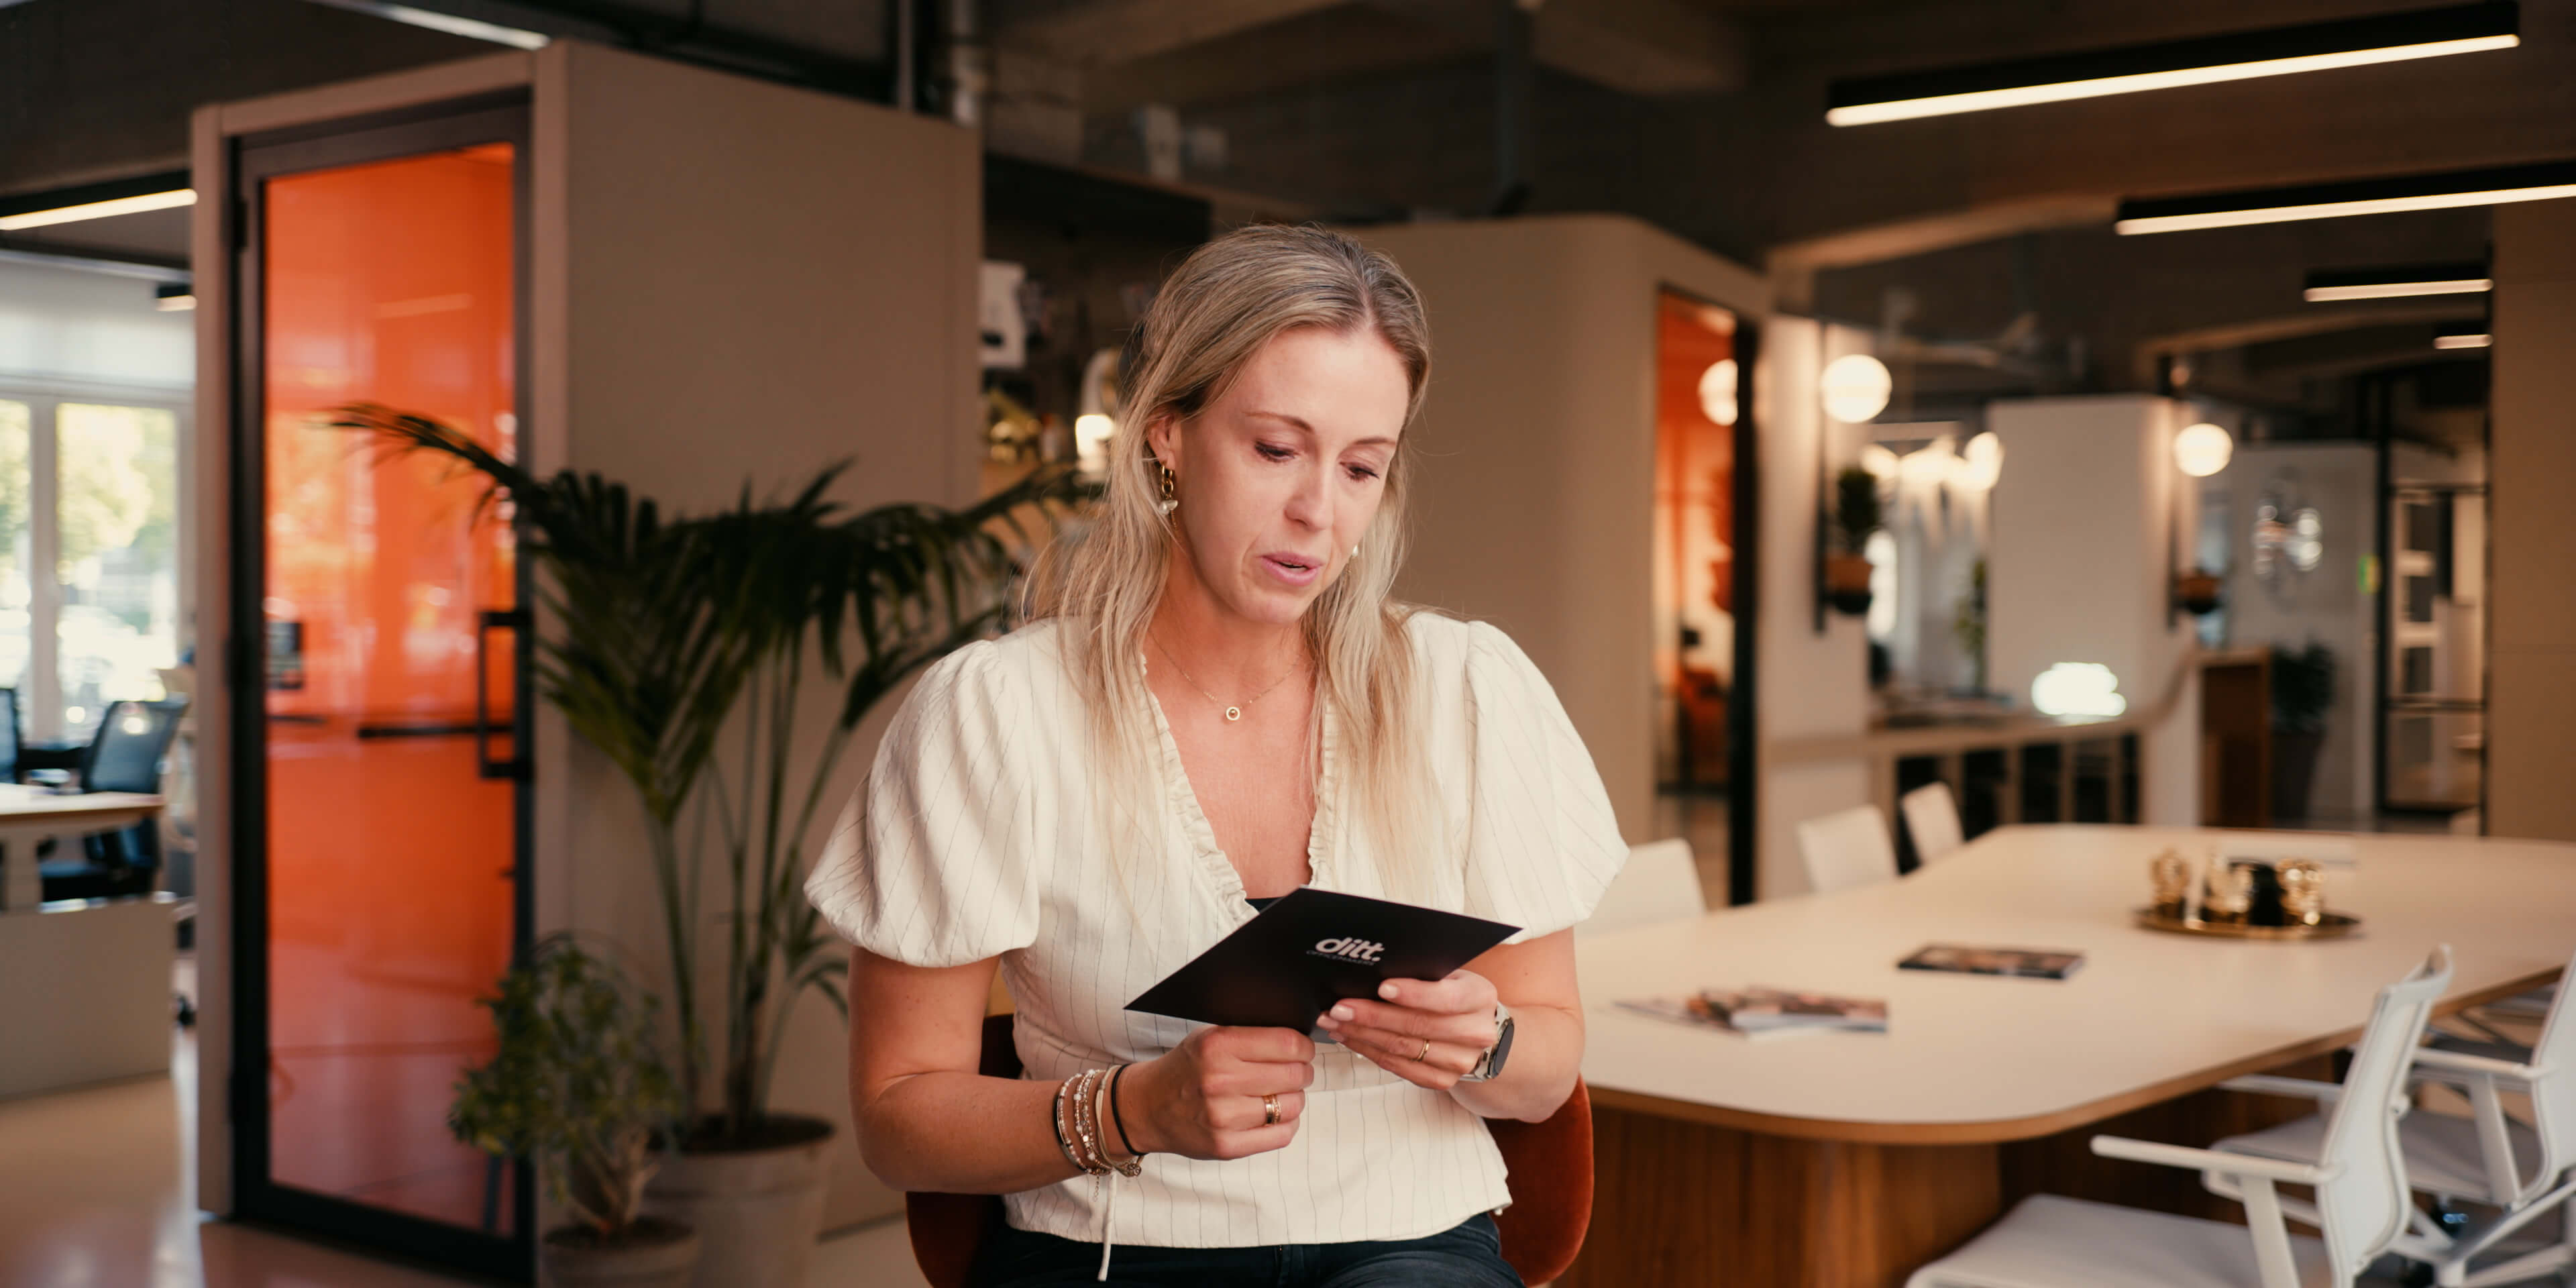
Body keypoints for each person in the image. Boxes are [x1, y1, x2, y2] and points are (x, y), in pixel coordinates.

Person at [806, 224, 1626, 1287]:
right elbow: (898, 1119)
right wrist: (1132, 1109)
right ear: (1167, 435)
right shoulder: (998, 712)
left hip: (1413, 1245)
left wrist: (1490, 1046)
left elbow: (1548, 1070)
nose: (1316, 514)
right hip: (1113, 1248)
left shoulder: (1467, 692)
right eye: (1275, 449)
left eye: (1361, 468)